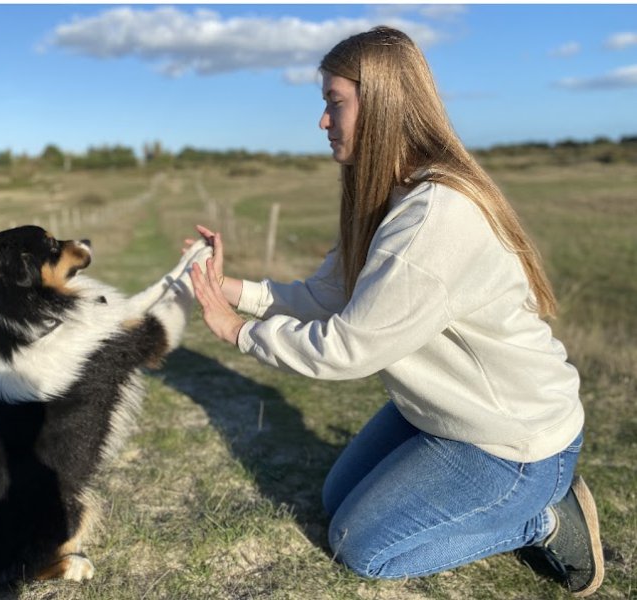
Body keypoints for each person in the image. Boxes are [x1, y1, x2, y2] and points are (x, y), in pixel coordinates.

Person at [186, 26, 604, 596]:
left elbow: (348, 348)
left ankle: (541, 518)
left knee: (364, 546)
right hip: (443, 415)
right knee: (336, 500)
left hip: (513, 441)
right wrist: (235, 291)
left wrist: (238, 333)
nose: (322, 121)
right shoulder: (388, 197)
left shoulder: (436, 218)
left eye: (335, 103)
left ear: (383, 104)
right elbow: (328, 296)